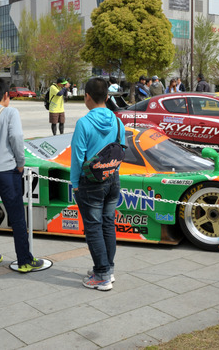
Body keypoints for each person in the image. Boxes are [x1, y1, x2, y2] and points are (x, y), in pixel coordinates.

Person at [0, 77, 45, 272]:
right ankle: (24, 260)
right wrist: (20, 163)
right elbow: (16, 137)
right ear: (6, 95)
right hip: (6, 170)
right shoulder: (10, 112)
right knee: (16, 215)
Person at [71, 77, 125, 291]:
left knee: (93, 228)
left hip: (91, 182)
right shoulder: (117, 120)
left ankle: (101, 275)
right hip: (113, 179)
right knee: (107, 224)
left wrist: (75, 183)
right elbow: (121, 148)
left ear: (87, 97)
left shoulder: (84, 123)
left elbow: (77, 158)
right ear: (108, 97)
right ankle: (107, 270)